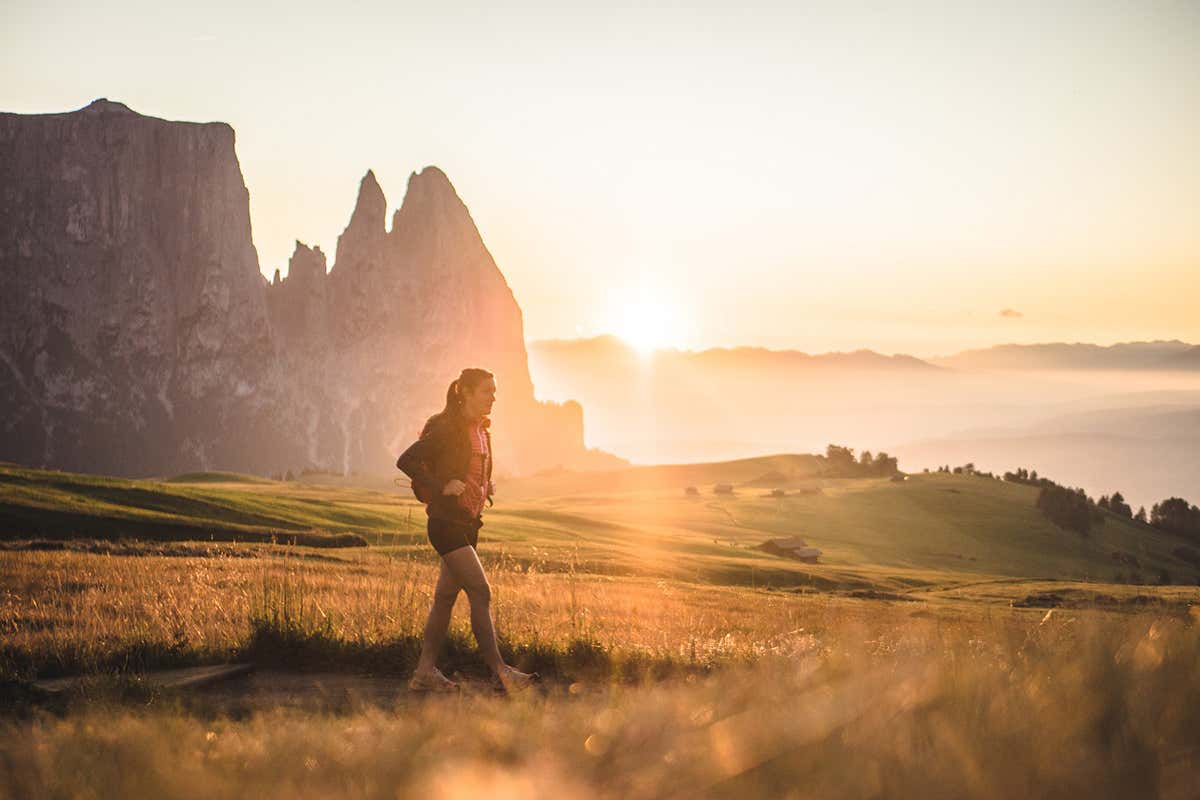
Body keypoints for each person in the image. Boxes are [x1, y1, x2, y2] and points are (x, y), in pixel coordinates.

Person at [396, 367, 536, 693]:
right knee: (481, 592)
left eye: (494, 391)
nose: (493, 398)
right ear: (467, 393)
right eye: (487, 391)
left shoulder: (482, 432)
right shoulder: (448, 429)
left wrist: (485, 486)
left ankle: (423, 673)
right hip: (445, 525)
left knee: (444, 599)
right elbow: (406, 460)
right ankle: (500, 672)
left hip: (468, 524)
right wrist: (442, 485)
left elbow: (470, 470)